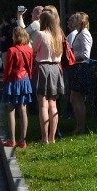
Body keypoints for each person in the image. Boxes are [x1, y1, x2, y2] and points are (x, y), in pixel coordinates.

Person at [32, 9, 65, 144]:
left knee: (43, 105)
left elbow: (33, 51)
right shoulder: (59, 35)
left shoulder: (41, 34)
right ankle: (52, 138)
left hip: (43, 68)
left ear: (44, 21)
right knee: (53, 105)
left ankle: (44, 138)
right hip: (56, 69)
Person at [2, 26, 34, 149]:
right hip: (25, 80)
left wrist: (4, 80)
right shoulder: (29, 50)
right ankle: (23, 140)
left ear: (15, 36)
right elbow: (30, 66)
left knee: (11, 109)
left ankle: (12, 140)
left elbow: (8, 69)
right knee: (23, 109)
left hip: (14, 80)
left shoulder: (12, 50)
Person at [67, 11, 93, 133]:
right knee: (75, 99)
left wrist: (72, 58)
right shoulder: (79, 33)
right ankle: (80, 126)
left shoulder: (84, 34)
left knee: (76, 98)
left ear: (81, 21)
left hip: (81, 67)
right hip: (78, 67)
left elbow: (86, 54)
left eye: (76, 18)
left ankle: (81, 127)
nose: (73, 20)